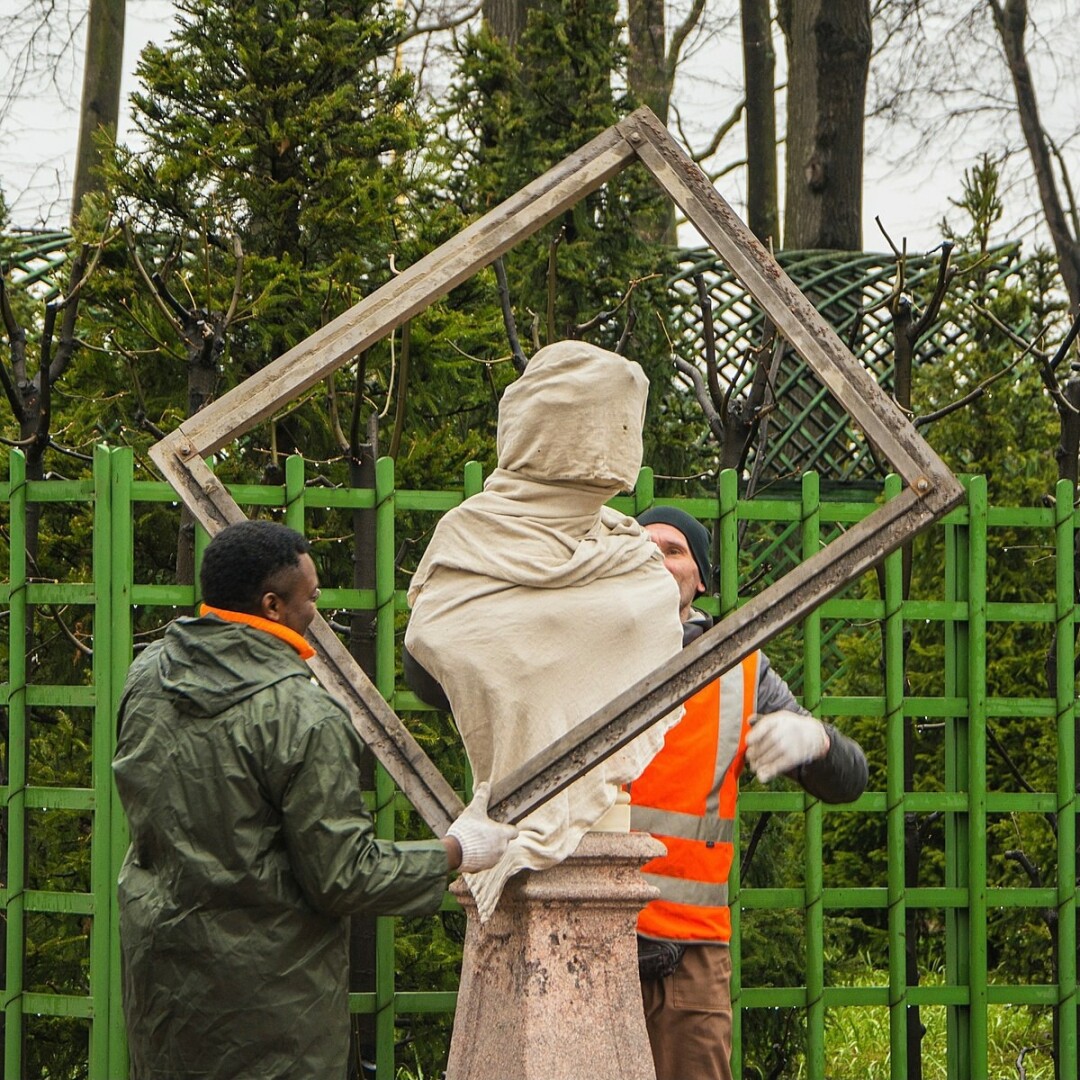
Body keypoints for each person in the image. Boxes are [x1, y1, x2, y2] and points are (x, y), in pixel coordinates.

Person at [112, 519, 516, 1080]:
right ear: (272, 605)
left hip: (163, 989)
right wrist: (456, 851)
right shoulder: (304, 717)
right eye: (312, 597)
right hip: (272, 1011)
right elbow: (345, 876)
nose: (316, 611)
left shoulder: (147, 675)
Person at [404, 340, 683, 922]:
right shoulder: (471, 541)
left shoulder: (634, 562)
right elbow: (434, 669)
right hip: (508, 824)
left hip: (606, 821)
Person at [630, 506, 868, 1080]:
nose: (656, 558)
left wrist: (816, 742)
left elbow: (850, 779)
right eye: (642, 547)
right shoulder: (581, 652)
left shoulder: (739, 670)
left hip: (691, 956)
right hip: (586, 934)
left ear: (701, 578)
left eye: (674, 550)